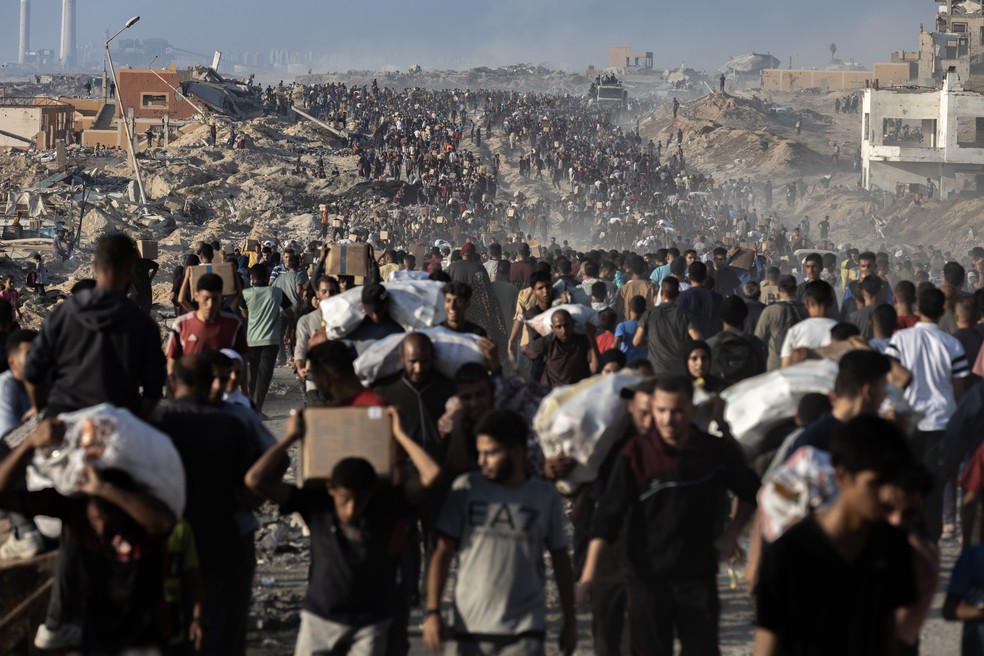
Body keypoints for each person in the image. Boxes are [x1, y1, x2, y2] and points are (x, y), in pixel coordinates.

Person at [579, 375, 759, 656]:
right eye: (661, 411)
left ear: (692, 410)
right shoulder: (635, 454)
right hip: (646, 580)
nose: (668, 420)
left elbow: (751, 491)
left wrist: (731, 535)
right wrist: (589, 577)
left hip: (697, 577)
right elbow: (607, 519)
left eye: (676, 411)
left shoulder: (712, 451)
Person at [246, 406, 442, 656]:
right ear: (330, 489)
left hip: (370, 623)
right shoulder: (317, 505)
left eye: (359, 500)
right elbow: (255, 480)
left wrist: (398, 434)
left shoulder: (385, 507)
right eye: (344, 499)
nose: (351, 509)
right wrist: (291, 436)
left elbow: (432, 474)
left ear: (371, 493)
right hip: (319, 620)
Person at [0, 419, 177, 654]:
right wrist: (27, 444)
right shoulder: (75, 509)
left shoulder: (142, 518)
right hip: (96, 636)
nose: (101, 529)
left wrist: (104, 490)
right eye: (95, 518)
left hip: (144, 640)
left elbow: (164, 523)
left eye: (109, 520)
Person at [754, 416, 918, 656]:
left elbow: (889, 634)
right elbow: (768, 645)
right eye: (875, 484)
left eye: (892, 483)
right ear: (842, 476)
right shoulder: (790, 554)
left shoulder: (892, 546)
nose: (886, 495)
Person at [425, 409, 577, 656]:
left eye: (491, 453)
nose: (482, 461)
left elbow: (560, 560)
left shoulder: (544, 496)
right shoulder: (466, 489)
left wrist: (569, 622)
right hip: (468, 629)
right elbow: (443, 552)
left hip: (525, 632)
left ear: (517, 451)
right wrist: (433, 611)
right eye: (480, 453)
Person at [152, 354, 266, 656]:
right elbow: (251, 482)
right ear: (209, 383)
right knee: (214, 623)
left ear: (173, 382)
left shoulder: (158, 424)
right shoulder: (231, 425)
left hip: (168, 542)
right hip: (219, 538)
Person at [24, 233, 166, 417]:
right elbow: (154, 390)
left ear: (94, 267)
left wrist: (42, 411)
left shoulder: (64, 314)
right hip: (119, 421)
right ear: (131, 269)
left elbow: (32, 372)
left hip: (65, 420)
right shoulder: (142, 324)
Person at [886, 286, 969, 540]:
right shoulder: (952, 344)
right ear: (943, 309)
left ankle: (906, 542)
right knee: (933, 490)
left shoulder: (900, 340)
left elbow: (892, 380)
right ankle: (930, 544)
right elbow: (959, 389)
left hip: (908, 423)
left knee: (905, 487)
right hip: (941, 423)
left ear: (917, 308)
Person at [167, 272, 249, 394]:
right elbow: (172, 362)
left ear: (221, 298)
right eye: (206, 299)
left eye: (215, 299)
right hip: (192, 395)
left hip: (223, 396)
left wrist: (244, 392)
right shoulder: (182, 325)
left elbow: (242, 360)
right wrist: (175, 392)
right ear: (197, 296)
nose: (210, 305)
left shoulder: (233, 324)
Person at [241, 264, 294, 413]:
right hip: (271, 340)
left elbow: (244, 314)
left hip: (252, 340)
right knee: (264, 376)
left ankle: (251, 406)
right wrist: (289, 332)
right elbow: (290, 314)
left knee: (252, 374)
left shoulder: (246, 294)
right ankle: (257, 408)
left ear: (251, 277)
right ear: (266, 275)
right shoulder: (276, 292)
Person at [633, 277, 702, 376]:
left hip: (655, 370)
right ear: (678, 294)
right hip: (680, 370)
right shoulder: (684, 315)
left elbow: (636, 341)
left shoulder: (649, 314)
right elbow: (698, 339)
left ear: (661, 293)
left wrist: (651, 342)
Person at [522, 308, 599, 387]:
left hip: (575, 394)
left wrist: (592, 339)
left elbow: (594, 368)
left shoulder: (582, 341)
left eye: (566, 325)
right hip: (552, 394)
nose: (564, 330)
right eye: (559, 327)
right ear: (553, 328)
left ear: (572, 324)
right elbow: (524, 349)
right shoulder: (547, 342)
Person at [706, 295, 766, 386]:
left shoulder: (710, 345)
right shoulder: (757, 344)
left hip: (721, 396)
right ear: (744, 318)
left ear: (722, 319)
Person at [780, 280, 836, 367]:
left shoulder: (795, 331)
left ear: (806, 304)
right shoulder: (843, 331)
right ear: (831, 303)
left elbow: (785, 366)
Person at [343, 282, 405, 356]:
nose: (375, 316)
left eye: (378, 311)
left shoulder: (400, 328)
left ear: (386, 304)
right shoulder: (353, 329)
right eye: (371, 312)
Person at [614, 295, 647, 363]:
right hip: (644, 365)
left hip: (627, 365)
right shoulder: (648, 327)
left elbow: (615, 345)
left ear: (629, 309)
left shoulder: (622, 326)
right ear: (644, 311)